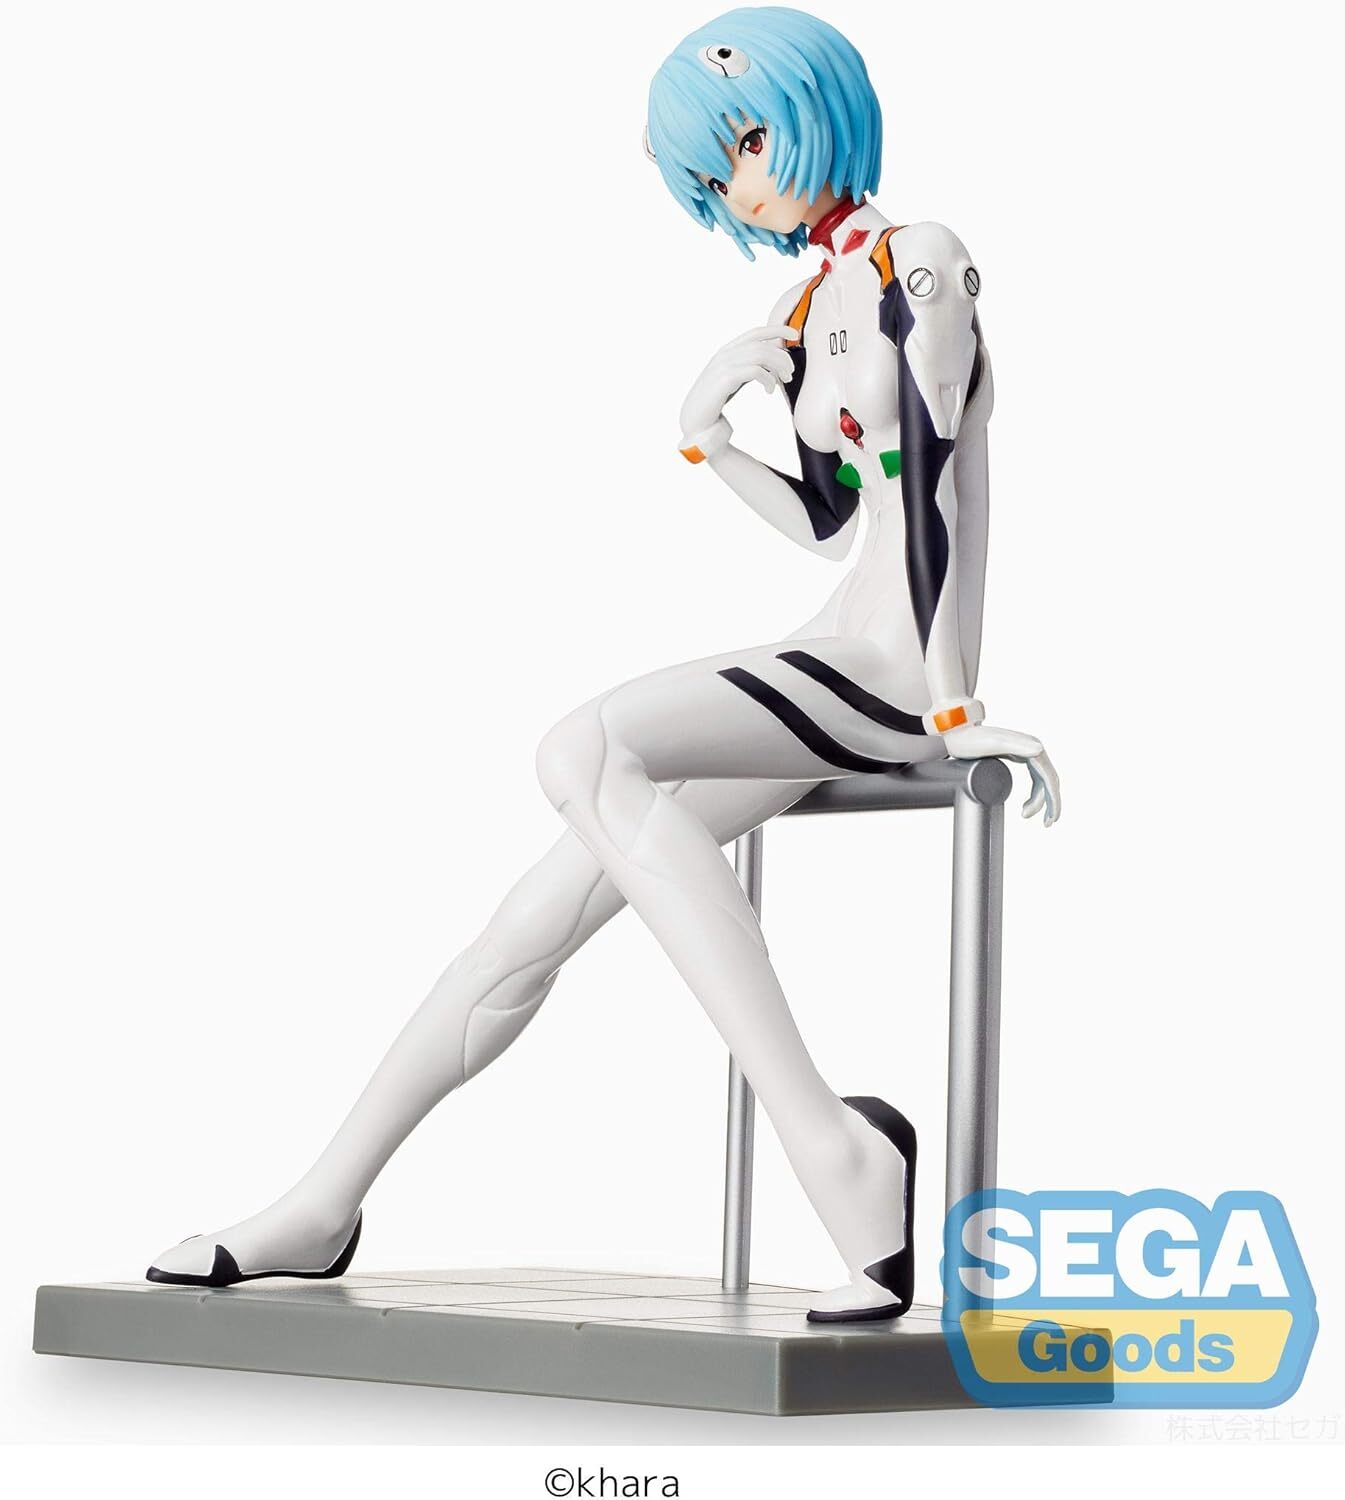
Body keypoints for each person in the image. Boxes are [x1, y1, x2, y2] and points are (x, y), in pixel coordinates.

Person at [147, 6, 1058, 1323]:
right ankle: (323, 1203)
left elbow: (930, 495)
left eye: (746, 142)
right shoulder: (807, 301)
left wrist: (958, 704)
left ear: (817, 107)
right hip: (834, 647)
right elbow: (830, 521)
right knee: (534, 915)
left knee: (582, 748)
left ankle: (833, 1152)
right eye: (713, 174)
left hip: (903, 668)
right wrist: (712, 439)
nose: (741, 183)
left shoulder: (922, 264)